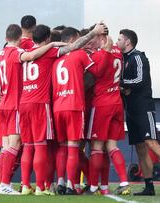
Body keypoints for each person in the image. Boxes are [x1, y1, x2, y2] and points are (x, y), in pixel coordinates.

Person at [18, 23, 107, 195]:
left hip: (47, 105)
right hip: (66, 105)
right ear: (48, 39)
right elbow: (96, 70)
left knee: (41, 147)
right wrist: (103, 48)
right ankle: (66, 185)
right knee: (68, 147)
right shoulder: (58, 53)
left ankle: (30, 184)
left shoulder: (25, 54)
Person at [0, 24, 64, 195]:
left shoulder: (0, 55)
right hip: (15, 104)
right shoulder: (16, 53)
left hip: (2, 106)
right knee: (15, 146)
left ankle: (0, 183)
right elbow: (32, 55)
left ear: (6, 38)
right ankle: (6, 183)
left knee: (6, 148)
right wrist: (51, 45)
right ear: (20, 38)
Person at [52, 24, 108, 195]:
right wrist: (105, 51)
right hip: (74, 106)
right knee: (74, 147)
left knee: (62, 147)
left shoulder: (56, 60)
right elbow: (97, 71)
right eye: (78, 39)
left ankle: (60, 181)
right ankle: (71, 184)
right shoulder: (80, 54)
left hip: (58, 107)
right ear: (72, 40)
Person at [118, 29, 160, 196]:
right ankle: (149, 186)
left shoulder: (138, 57)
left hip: (144, 107)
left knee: (152, 143)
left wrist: (121, 84)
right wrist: (123, 88)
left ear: (128, 42)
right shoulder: (122, 59)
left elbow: (140, 80)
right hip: (131, 109)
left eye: (119, 39)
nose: (117, 42)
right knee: (140, 147)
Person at [83, 29, 131, 196]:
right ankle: (124, 182)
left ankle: (93, 186)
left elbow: (93, 72)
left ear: (101, 37)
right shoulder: (118, 52)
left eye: (93, 38)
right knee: (112, 146)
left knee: (96, 147)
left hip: (102, 104)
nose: (91, 42)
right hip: (116, 102)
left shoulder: (99, 55)